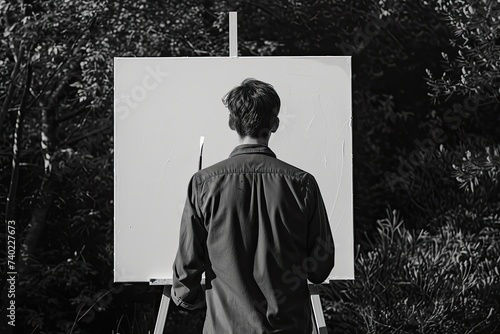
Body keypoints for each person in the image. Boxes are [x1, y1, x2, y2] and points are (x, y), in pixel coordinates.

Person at [171, 78, 335, 333]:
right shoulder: (303, 184)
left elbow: (187, 266)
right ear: (275, 125)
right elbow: (320, 265)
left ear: (231, 122)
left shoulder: (203, 183)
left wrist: (185, 296)